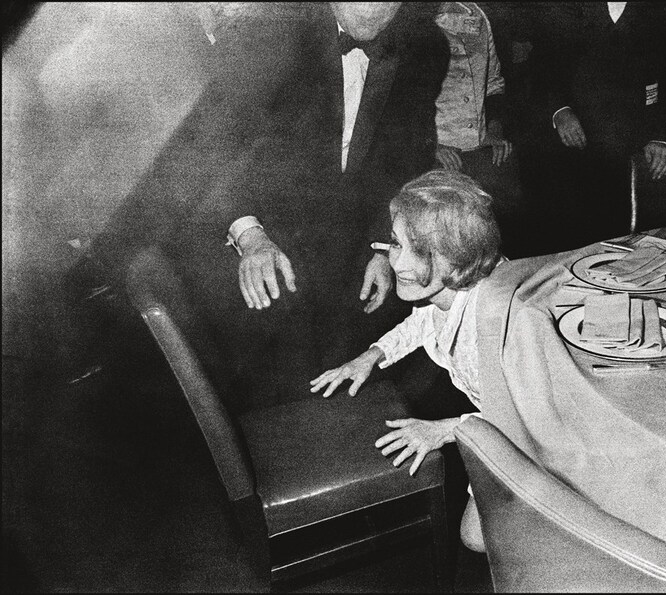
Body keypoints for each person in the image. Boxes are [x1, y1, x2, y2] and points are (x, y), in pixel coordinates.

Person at [88, 2, 451, 411]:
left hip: (350, 235)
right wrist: (250, 236)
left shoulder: (427, 47)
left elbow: (404, 159)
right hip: (253, 220)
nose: (374, 10)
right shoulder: (265, 35)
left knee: (401, 344)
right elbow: (211, 149)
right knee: (273, 358)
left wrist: (384, 245)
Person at [309, 169, 503, 553]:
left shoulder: (492, 322)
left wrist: (443, 430)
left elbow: (518, 415)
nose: (396, 265)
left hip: (533, 428)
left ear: (462, 256)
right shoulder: (449, 290)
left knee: (476, 540)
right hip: (494, 414)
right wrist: (370, 356)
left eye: (420, 252)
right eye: (396, 244)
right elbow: (423, 322)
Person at [542, 2, 666, 248]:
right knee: (574, 241)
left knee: (635, 247)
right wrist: (559, 110)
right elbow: (542, 66)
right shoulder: (562, 8)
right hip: (575, 145)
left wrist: (662, 136)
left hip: (639, 150)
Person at [431, 1, 524, 255]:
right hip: (438, 157)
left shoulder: (479, 16)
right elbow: (403, 102)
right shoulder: (414, 19)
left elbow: (494, 84)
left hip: (481, 150)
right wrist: (431, 145)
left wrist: (494, 131)